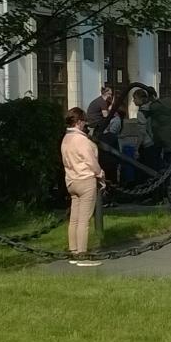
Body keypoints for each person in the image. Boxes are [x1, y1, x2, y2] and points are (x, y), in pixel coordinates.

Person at [60, 107, 104, 267]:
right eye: (84, 121)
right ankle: (82, 255)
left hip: (71, 180)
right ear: (79, 122)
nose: (85, 124)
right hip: (85, 180)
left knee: (74, 219)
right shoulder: (82, 140)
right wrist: (100, 174)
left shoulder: (66, 139)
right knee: (84, 221)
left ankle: (73, 251)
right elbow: (91, 161)